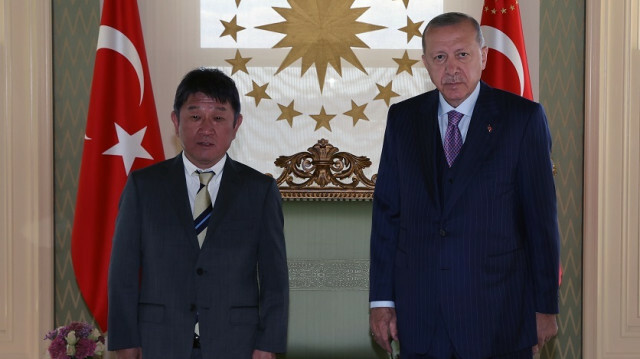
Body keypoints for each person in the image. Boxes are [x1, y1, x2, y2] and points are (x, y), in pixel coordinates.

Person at [368, 12, 559, 359]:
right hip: (422, 318)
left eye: (462, 54)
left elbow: (541, 223)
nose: (451, 68)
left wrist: (545, 307)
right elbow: (387, 217)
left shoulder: (523, 120)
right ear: (425, 63)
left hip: (500, 317)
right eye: (440, 57)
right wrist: (382, 301)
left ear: (483, 57)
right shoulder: (403, 120)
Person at [108, 67, 289, 359]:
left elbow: (274, 278)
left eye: (218, 117)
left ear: (236, 124)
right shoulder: (144, 186)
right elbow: (123, 272)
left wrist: (268, 344)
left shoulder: (260, 190)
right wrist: (124, 339)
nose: (206, 128)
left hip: (236, 344)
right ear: (175, 120)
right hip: (158, 343)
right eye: (195, 116)